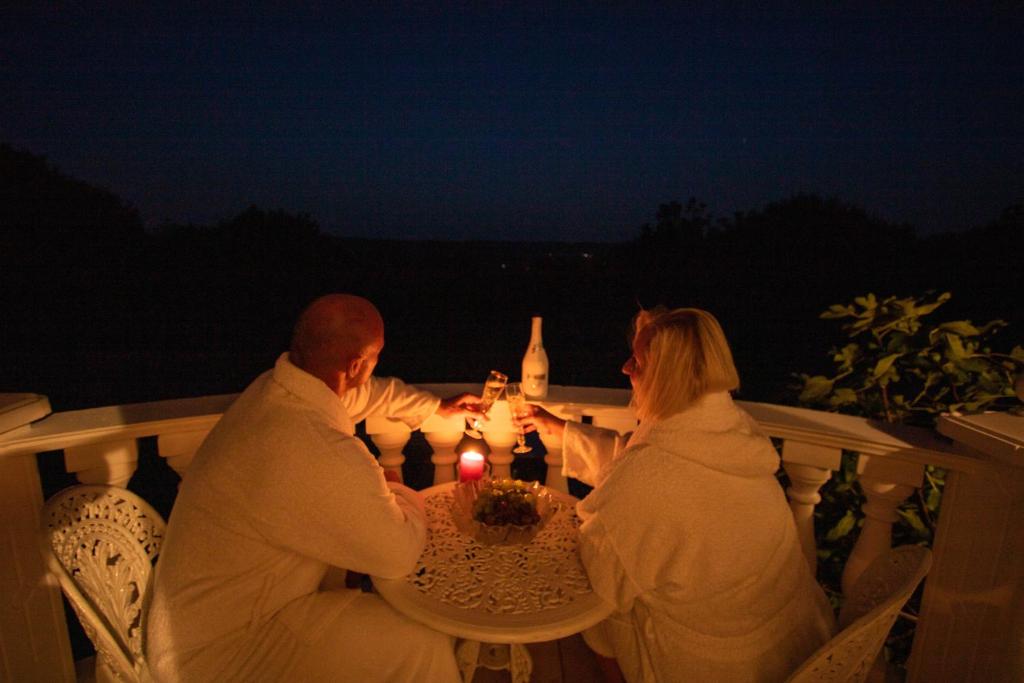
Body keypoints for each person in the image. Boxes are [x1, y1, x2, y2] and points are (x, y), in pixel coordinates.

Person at [147, 294, 477, 682]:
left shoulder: (275, 391)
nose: (373, 370)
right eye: (375, 357)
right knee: (421, 645)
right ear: (356, 365)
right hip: (221, 656)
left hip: (210, 619)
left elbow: (368, 394)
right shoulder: (309, 442)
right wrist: (401, 493)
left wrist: (435, 408)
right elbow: (398, 553)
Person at [520, 307, 836, 683]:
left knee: (603, 614)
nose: (624, 369)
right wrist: (564, 430)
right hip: (789, 635)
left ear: (666, 377)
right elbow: (645, 466)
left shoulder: (652, 475)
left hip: (719, 664)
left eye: (636, 362)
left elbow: (604, 567)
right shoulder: (731, 432)